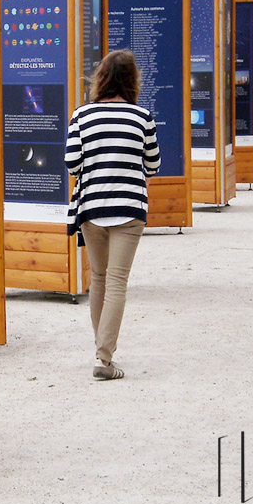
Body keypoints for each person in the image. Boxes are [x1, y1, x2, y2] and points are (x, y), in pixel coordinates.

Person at [65, 50, 161, 380]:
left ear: (100, 78)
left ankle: (101, 352)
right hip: (129, 207)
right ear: (133, 80)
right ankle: (103, 358)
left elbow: (72, 163)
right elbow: (153, 165)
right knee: (117, 281)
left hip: (92, 206)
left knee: (99, 279)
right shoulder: (142, 117)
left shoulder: (81, 116)